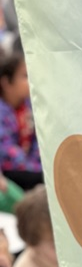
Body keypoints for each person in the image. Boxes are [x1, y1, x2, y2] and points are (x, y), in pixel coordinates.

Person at [0, 52, 43, 189]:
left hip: (30, 168)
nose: (30, 81)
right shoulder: (2, 111)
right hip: (9, 173)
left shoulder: (29, 107)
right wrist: (35, 167)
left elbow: (38, 141)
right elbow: (6, 152)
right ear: (6, 83)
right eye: (25, 76)